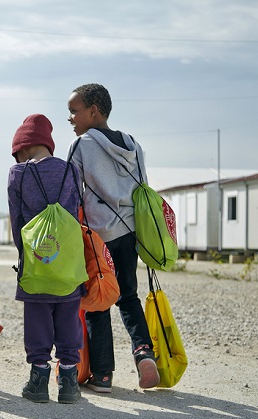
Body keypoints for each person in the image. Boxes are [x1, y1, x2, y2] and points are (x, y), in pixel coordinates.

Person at [66, 83, 160, 393]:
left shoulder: (81, 146)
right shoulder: (133, 143)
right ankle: (144, 353)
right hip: (130, 231)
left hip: (98, 235)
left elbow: (71, 194)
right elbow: (143, 188)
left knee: (97, 299)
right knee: (128, 296)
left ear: (93, 111)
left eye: (74, 111)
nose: (70, 118)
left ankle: (103, 375)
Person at [7, 114, 84, 404]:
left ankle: (38, 382)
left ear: (24, 147)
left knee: (37, 317)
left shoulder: (18, 173)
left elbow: (17, 221)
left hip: (37, 258)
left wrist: (25, 254)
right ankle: (68, 383)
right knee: (68, 315)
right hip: (68, 260)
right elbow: (76, 211)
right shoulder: (71, 171)